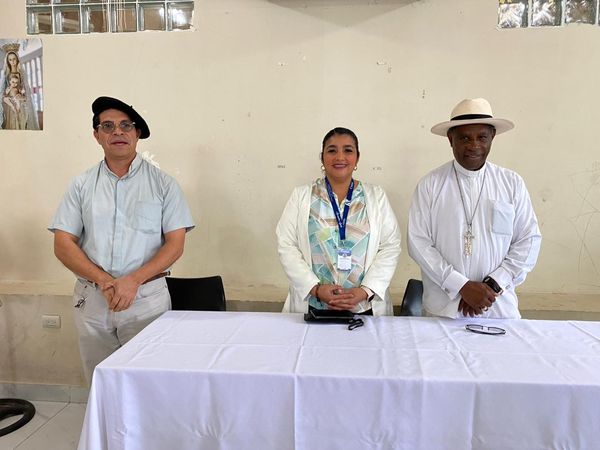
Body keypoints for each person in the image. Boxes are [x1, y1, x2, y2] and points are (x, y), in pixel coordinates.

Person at [48, 96, 194, 383]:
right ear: (96, 135)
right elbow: (63, 243)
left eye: (126, 125)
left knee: (148, 381)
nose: (117, 131)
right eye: (108, 126)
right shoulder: (81, 185)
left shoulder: (164, 185)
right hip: (94, 299)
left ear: (137, 133)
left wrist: (133, 281)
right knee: (100, 380)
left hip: (146, 301)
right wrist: (104, 281)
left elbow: (175, 244)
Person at [407, 98, 541, 319]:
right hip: (445, 310)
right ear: (450, 139)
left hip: (499, 308)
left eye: (482, 137)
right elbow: (418, 243)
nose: (474, 145)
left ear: (492, 137)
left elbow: (529, 240)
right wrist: (461, 286)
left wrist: (494, 284)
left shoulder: (511, 183)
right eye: (464, 138)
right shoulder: (430, 185)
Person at [277, 127, 401, 316]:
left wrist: (365, 291)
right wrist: (315, 289)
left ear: (357, 158)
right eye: (332, 150)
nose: (340, 157)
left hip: (364, 307)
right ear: (322, 157)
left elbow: (390, 246)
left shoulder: (376, 197)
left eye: (348, 150)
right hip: (314, 305)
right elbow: (287, 244)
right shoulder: (301, 196)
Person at [0, 48, 39, 130]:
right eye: (10, 60)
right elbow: (3, 91)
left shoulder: (21, 73)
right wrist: (5, 96)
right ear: (8, 61)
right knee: (11, 123)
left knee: (21, 122)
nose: (12, 61)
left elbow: (25, 89)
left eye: (14, 59)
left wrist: (22, 96)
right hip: (10, 104)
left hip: (20, 102)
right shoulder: (6, 74)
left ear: (17, 59)